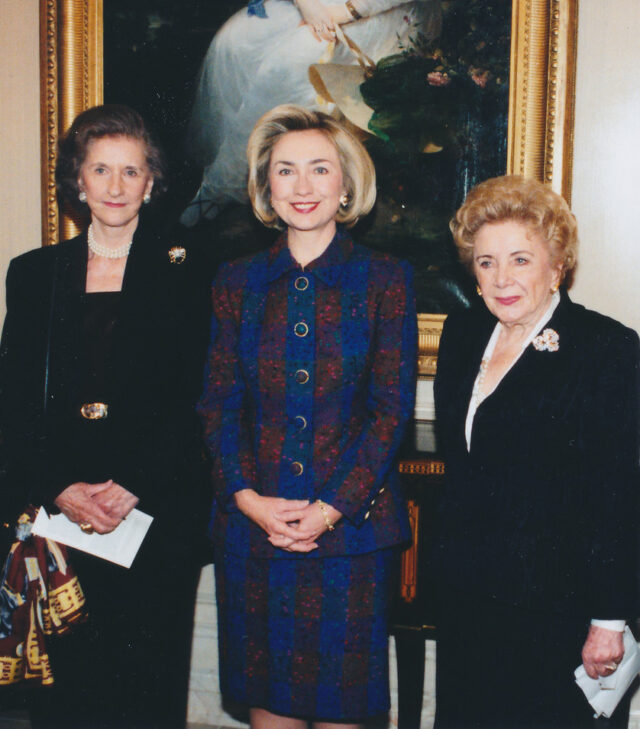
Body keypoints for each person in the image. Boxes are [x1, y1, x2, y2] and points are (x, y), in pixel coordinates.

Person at [198, 104, 417, 727]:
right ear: (266, 187)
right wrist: (246, 498)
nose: (302, 186)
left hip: (349, 537)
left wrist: (328, 509)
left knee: (341, 710)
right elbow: (219, 401)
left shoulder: (386, 279)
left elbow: (390, 408)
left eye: (319, 169)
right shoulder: (236, 281)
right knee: (272, 710)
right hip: (254, 535)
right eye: (285, 170)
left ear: (346, 183)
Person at [0, 105, 212, 728]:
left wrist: (133, 482)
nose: (116, 187)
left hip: (151, 508)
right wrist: (56, 487)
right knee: (68, 695)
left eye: (131, 171)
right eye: (101, 170)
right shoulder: (35, 273)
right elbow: (12, 396)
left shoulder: (191, 269)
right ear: (77, 181)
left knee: (147, 687)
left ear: (152, 182)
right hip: (60, 513)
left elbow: (201, 393)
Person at [431, 175, 640, 729]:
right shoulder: (462, 333)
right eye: (486, 262)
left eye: (521, 260)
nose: (502, 279)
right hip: (470, 603)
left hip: (559, 611)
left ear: (557, 265)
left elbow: (619, 493)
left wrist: (610, 618)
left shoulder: (607, 350)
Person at [180, 0, 442, 225]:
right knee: (235, 39)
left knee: (290, 63)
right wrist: (306, 4)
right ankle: (232, 175)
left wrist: (332, 14)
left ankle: (226, 185)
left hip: (381, 13)